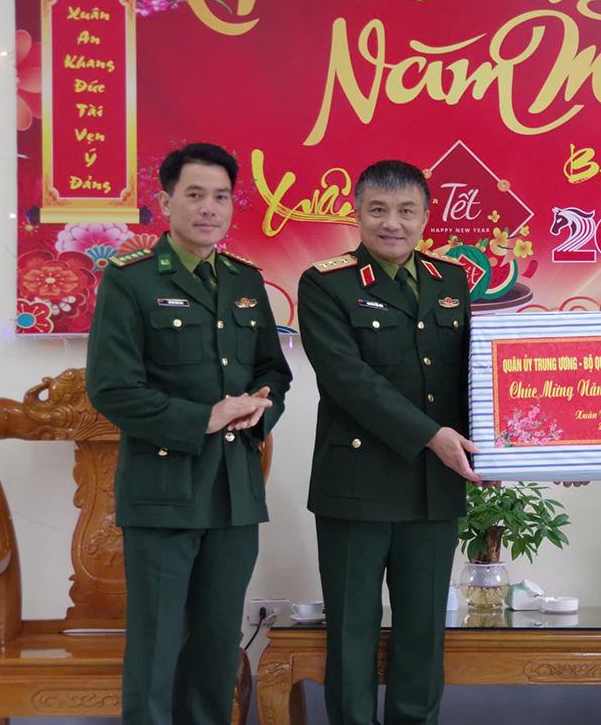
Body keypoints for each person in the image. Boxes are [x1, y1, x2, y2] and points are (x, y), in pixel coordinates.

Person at [87, 142, 292, 724]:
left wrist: (257, 410)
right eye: (195, 195)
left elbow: (273, 371)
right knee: (156, 648)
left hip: (234, 492)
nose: (209, 208)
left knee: (216, 647)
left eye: (221, 197)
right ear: (165, 202)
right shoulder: (130, 280)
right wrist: (204, 417)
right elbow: (112, 388)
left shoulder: (244, 280)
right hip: (163, 491)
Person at [297, 159, 481, 725]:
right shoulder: (325, 283)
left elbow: (469, 376)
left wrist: (507, 446)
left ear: (426, 216)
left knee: (423, 633)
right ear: (356, 213)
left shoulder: (450, 280)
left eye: (406, 210)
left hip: (432, 489)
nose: (392, 223)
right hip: (356, 487)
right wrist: (430, 435)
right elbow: (348, 380)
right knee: (351, 631)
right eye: (378, 210)